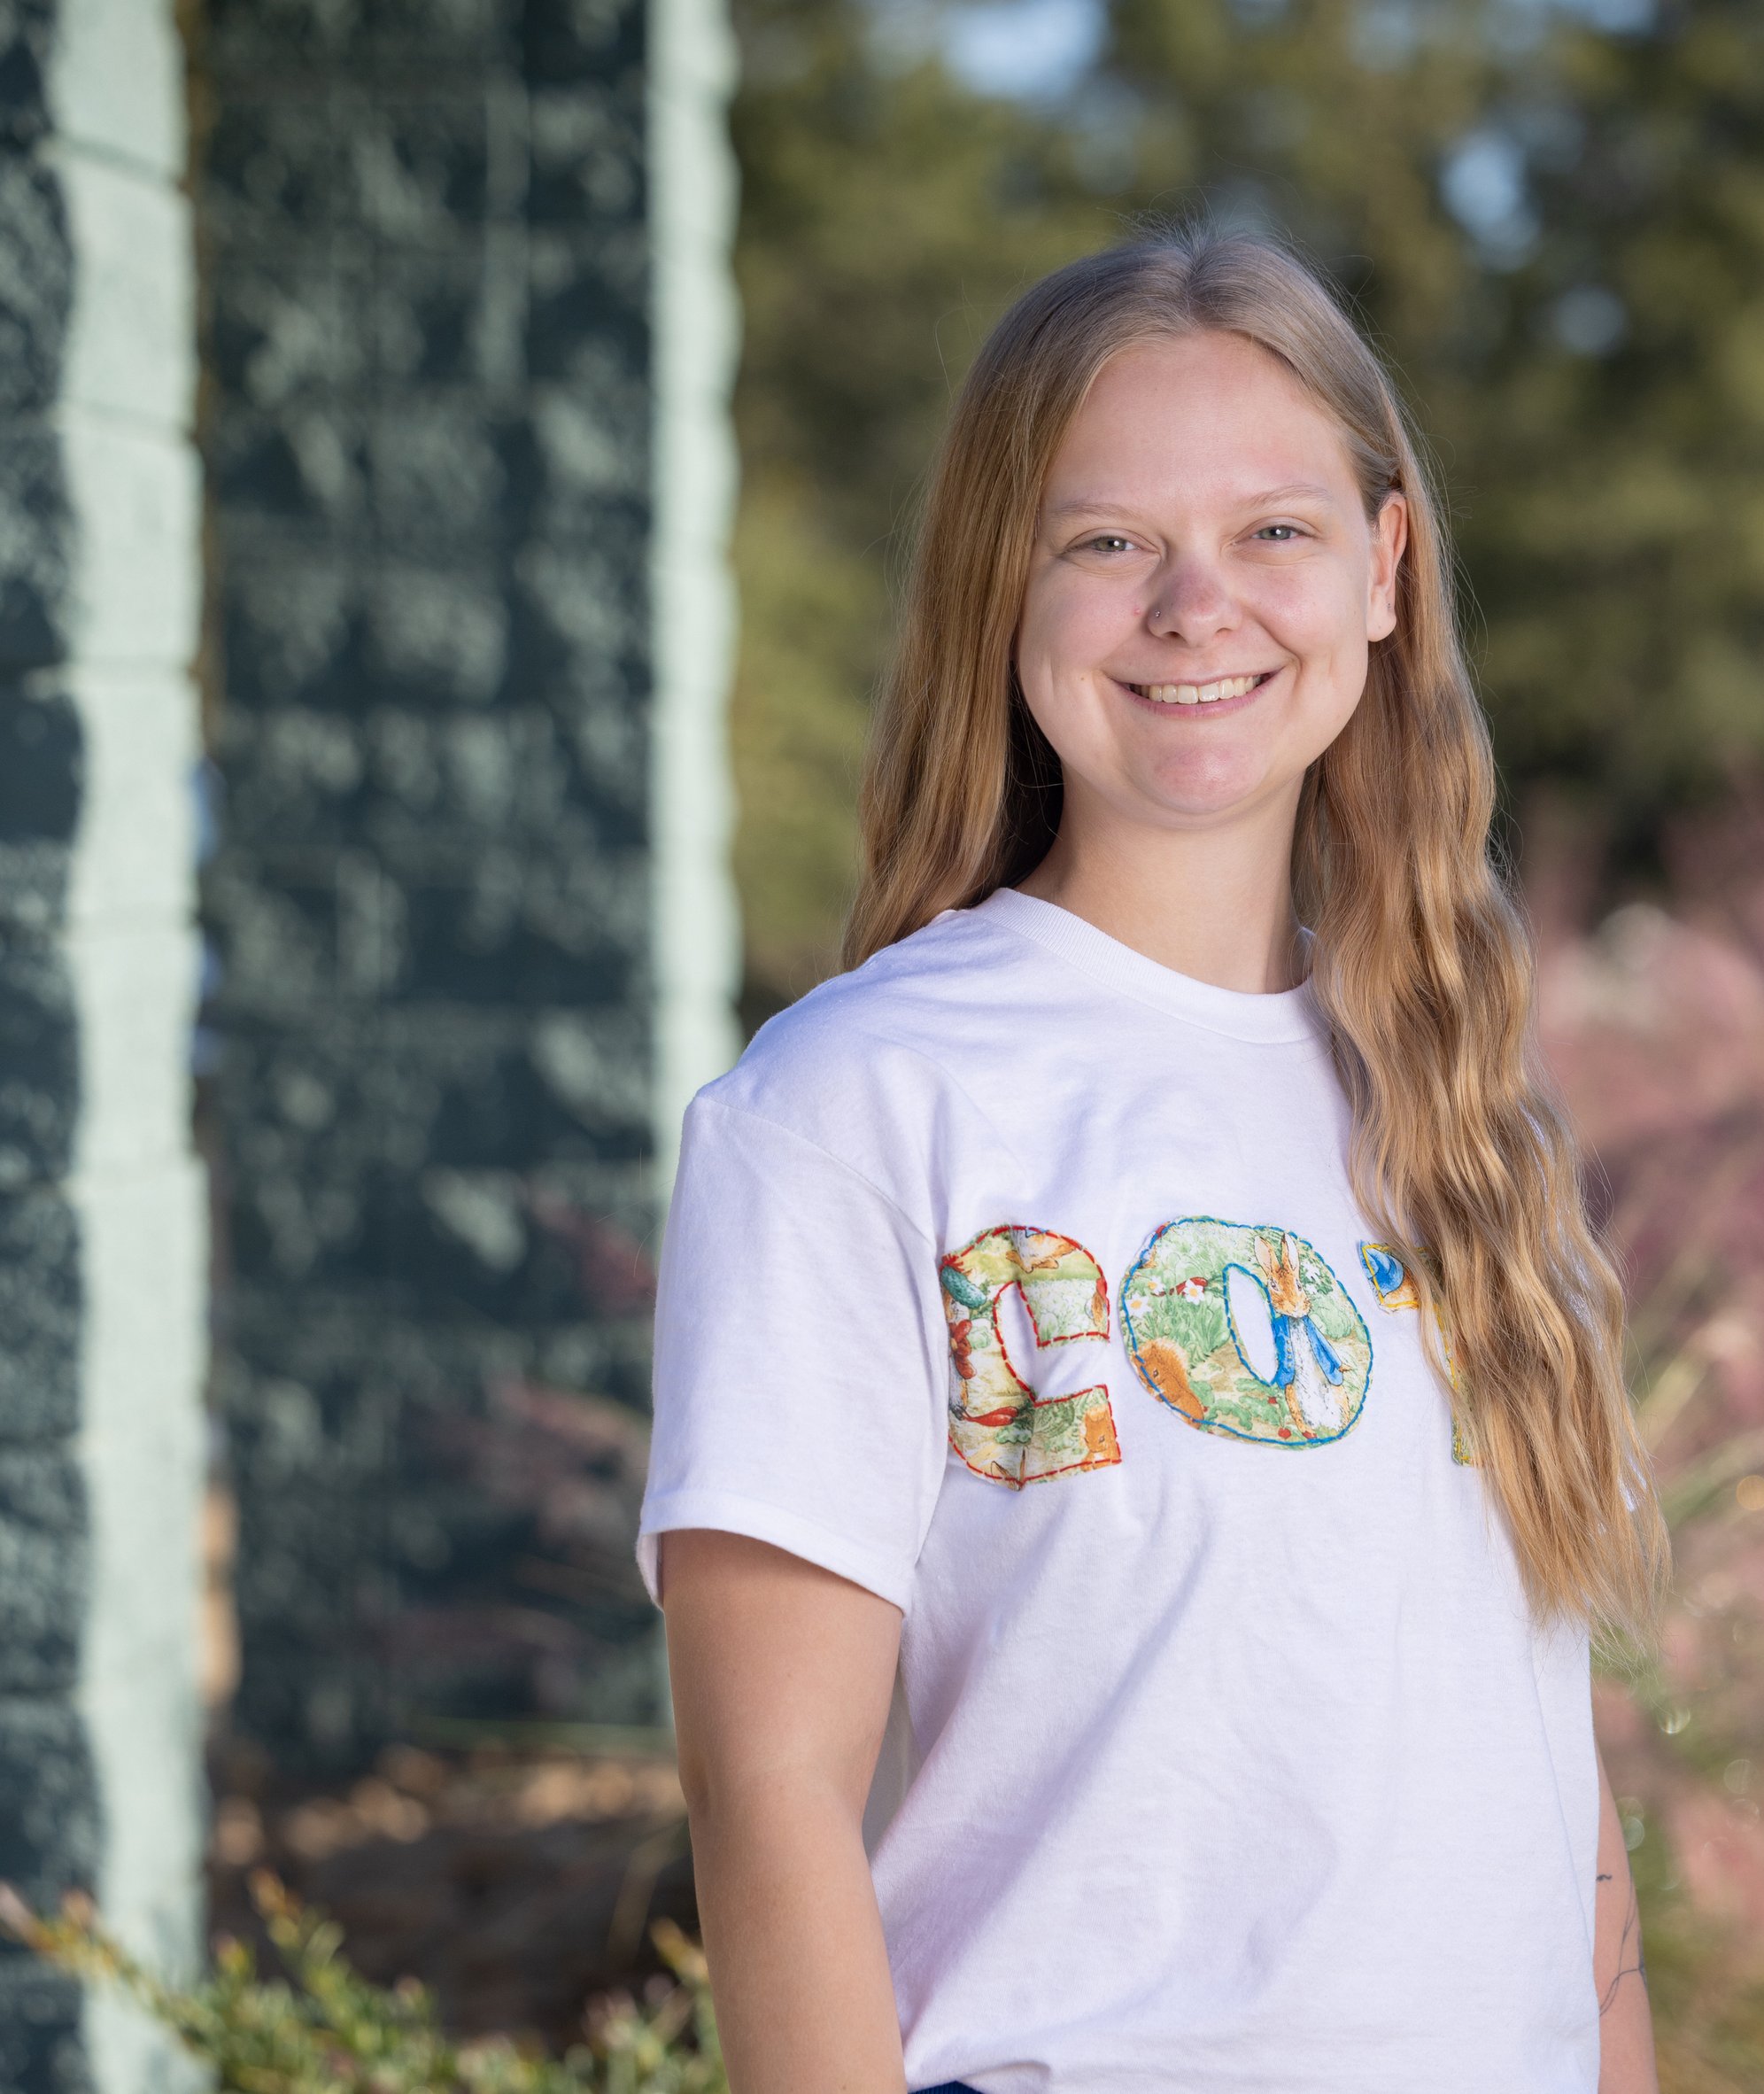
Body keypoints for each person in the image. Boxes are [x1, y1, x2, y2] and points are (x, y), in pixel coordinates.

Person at [640, 228, 1668, 2094]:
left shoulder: (1453, 1107)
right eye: (1106, 543)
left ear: (1382, 568)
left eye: (1271, 530)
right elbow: (765, 1786)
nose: (1196, 606)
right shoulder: (855, 1105)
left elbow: (1545, 1779)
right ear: (999, 593)